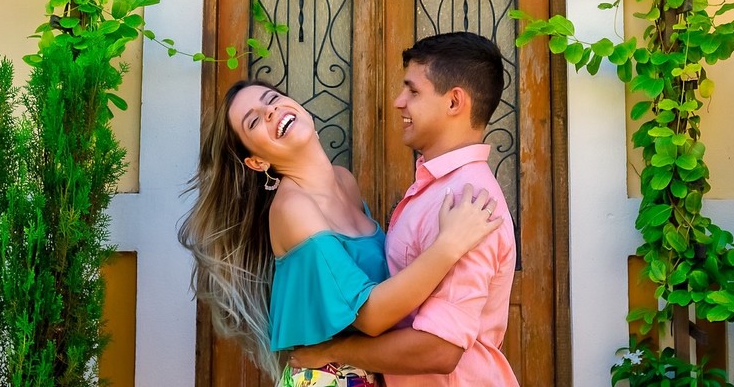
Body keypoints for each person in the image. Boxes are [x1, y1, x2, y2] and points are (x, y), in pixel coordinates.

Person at [179, 78, 503, 386]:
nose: (271, 112)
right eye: (254, 121)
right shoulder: (293, 209)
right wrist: (449, 245)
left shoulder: (344, 181)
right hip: (329, 378)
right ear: (256, 162)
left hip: (372, 371)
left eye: (273, 99)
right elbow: (370, 315)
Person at [291, 31, 519, 385]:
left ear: (454, 102)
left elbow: (440, 349)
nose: (399, 102)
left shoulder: (469, 202)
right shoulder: (438, 186)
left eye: (413, 91)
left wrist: (334, 351)